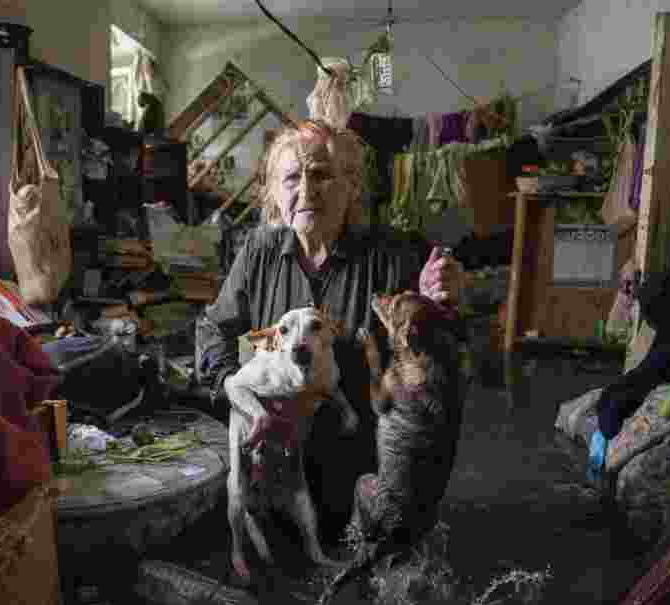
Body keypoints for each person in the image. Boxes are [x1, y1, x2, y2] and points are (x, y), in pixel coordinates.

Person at [195, 119, 467, 544]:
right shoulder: (259, 252)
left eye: (320, 173)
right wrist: (228, 385)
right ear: (273, 192)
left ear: (351, 185)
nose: (305, 189)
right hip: (276, 460)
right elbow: (214, 326)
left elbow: (434, 358)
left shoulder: (390, 256)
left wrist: (441, 303)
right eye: (290, 177)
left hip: (359, 471)